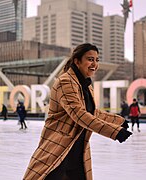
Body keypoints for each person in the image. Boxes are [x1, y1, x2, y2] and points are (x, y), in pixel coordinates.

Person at [23, 43, 132, 180]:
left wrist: (119, 121)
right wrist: (114, 132)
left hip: (77, 151)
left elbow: (93, 113)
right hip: (58, 149)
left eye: (97, 60)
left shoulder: (85, 85)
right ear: (77, 61)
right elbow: (79, 114)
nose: (94, 64)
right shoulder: (65, 82)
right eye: (90, 59)